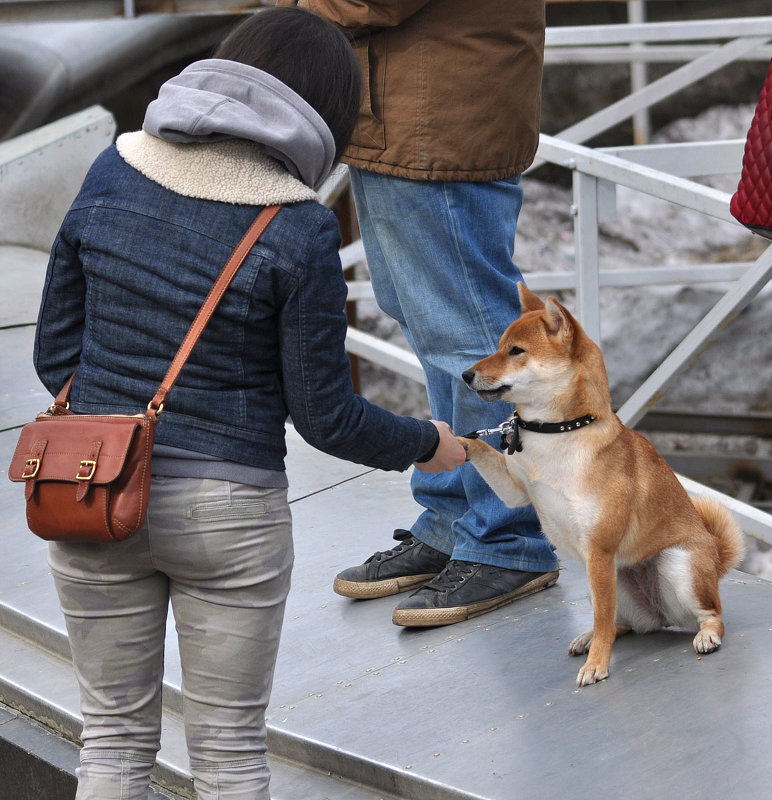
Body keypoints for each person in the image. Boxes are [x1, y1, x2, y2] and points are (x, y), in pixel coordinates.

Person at [32, 8, 464, 799]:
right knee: (228, 756)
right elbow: (326, 417)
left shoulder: (113, 166)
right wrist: (428, 442)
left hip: (91, 490)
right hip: (226, 516)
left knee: (113, 741)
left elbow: (54, 356)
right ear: (326, 115)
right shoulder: (297, 228)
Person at [279, 0, 561, 626]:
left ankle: (509, 539)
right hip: (413, 114)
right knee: (436, 327)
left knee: (471, 342)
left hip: (438, 117)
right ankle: (457, 517)